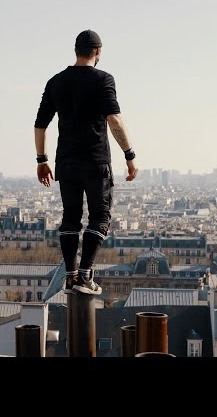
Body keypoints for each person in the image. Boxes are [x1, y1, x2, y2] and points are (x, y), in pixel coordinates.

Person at [33, 29, 138, 295]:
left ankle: (69, 276)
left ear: (76, 50)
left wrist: (42, 160)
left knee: (70, 218)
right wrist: (129, 155)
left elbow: (40, 125)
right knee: (100, 217)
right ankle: (85, 275)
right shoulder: (103, 79)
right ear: (98, 52)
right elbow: (114, 120)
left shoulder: (55, 81)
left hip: (66, 162)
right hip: (95, 161)